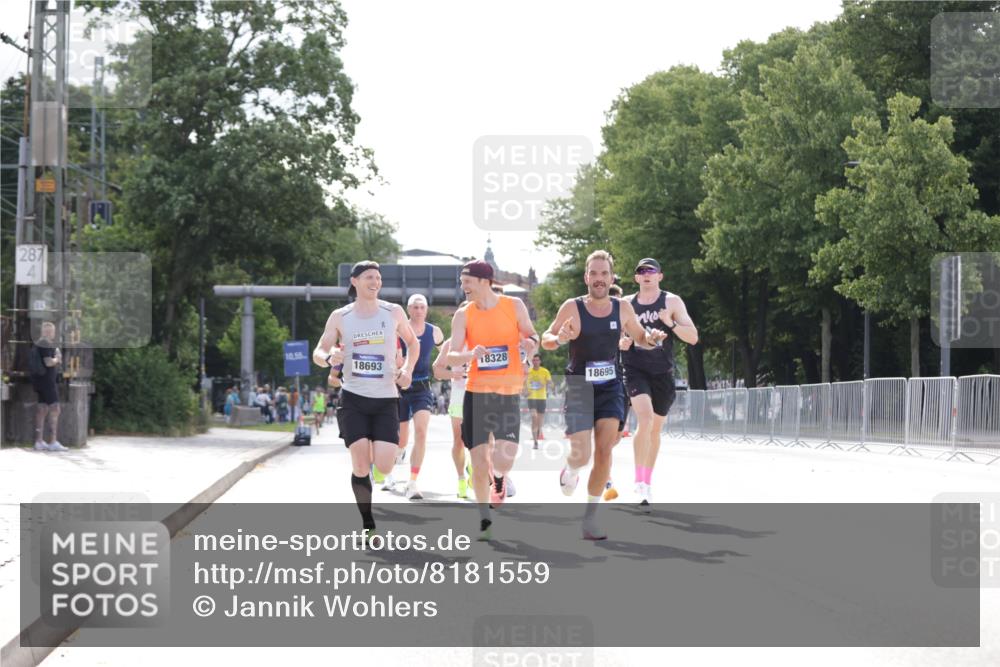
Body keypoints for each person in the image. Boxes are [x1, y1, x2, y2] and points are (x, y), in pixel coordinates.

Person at [541, 250, 668, 539]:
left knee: (604, 451)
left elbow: (639, 336)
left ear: (611, 278)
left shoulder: (621, 307)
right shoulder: (572, 307)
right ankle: (571, 470)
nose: (599, 279)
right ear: (587, 277)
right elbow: (546, 339)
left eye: (604, 274)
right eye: (594, 274)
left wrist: (652, 338)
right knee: (582, 454)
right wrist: (560, 338)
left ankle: (590, 518)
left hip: (610, 386)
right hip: (579, 387)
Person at [313, 260, 419, 535]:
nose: (375, 282)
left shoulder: (393, 312)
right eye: (369, 277)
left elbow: (412, 342)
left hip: (386, 399)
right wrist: (328, 357)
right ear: (355, 281)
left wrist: (406, 369)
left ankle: (385, 453)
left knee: (383, 466)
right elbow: (319, 350)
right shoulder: (340, 316)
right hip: (354, 398)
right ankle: (368, 522)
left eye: (378, 278)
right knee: (360, 464)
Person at [447, 261, 538, 541]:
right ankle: (484, 518)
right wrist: (470, 355)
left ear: (484, 281)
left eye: (467, 283)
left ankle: (499, 477)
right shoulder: (463, 315)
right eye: (462, 283)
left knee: (505, 457)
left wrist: (529, 344)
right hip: (477, 392)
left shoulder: (514, 306)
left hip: (508, 393)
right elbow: (452, 356)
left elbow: (532, 335)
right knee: (478, 458)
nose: (463, 288)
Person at [621, 258, 698, 510]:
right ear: (636, 278)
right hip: (635, 369)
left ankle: (647, 480)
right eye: (641, 271)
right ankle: (639, 483)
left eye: (650, 271)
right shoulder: (626, 305)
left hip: (662, 372)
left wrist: (671, 323)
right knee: (644, 420)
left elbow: (693, 337)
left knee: (655, 430)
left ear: (659, 276)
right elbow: (614, 337)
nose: (646, 275)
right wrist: (621, 344)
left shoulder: (671, 302)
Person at [394, 294, 444, 500]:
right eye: (414, 307)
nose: (418, 311)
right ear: (408, 310)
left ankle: (413, 482)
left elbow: (446, 349)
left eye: (422, 307)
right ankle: (394, 461)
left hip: (423, 387)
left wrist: (440, 364)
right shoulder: (398, 329)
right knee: (402, 439)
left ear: (427, 310)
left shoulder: (434, 331)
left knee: (421, 433)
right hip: (400, 387)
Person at [433, 335, 472, 499]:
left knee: (485, 441)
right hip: (459, 395)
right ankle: (461, 478)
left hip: (483, 394)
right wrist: (453, 374)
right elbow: (437, 370)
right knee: (459, 441)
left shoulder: (485, 335)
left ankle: (475, 469)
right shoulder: (451, 343)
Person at [30, 321, 67, 451]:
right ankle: (53, 442)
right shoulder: (45, 343)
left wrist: (55, 354)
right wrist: (57, 358)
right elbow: (48, 362)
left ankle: (39, 441)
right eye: (50, 331)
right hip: (47, 382)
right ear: (47, 332)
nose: (51, 333)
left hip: (40, 381)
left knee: (42, 409)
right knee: (55, 408)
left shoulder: (39, 343)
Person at [524, 354, 554, 450]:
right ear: (532, 362)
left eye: (537, 360)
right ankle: (535, 442)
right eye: (534, 360)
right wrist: (524, 391)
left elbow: (551, 384)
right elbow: (523, 384)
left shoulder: (545, 371)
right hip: (532, 398)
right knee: (534, 417)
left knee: (540, 422)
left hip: (542, 398)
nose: (535, 362)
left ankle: (537, 434)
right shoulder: (528, 372)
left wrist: (547, 383)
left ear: (540, 361)